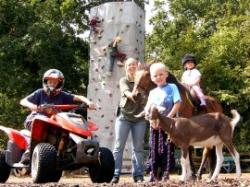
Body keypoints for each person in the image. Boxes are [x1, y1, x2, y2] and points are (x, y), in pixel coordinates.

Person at [19, 69, 96, 165]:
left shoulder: (62, 95)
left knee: (68, 127)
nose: (52, 84)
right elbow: (23, 101)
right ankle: (28, 152)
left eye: (55, 82)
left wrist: (89, 102)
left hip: (55, 122)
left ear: (59, 84)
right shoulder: (40, 93)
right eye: (50, 81)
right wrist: (31, 105)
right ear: (45, 82)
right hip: (36, 119)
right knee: (40, 127)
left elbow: (78, 97)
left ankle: (70, 151)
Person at [112, 58, 147, 183]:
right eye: (129, 65)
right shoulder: (123, 80)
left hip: (140, 119)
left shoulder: (143, 81)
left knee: (138, 148)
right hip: (124, 117)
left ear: (137, 66)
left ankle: (138, 175)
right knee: (118, 147)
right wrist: (133, 94)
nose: (132, 66)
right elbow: (127, 93)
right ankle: (115, 174)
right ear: (126, 67)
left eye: (134, 64)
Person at [145, 62, 181, 182]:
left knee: (167, 148)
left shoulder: (172, 87)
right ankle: (153, 172)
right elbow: (147, 108)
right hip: (154, 126)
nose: (158, 77)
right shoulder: (152, 92)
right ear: (151, 78)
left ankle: (166, 172)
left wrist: (169, 118)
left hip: (168, 125)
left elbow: (177, 103)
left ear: (166, 74)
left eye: (161, 74)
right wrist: (148, 117)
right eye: (155, 75)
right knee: (153, 148)